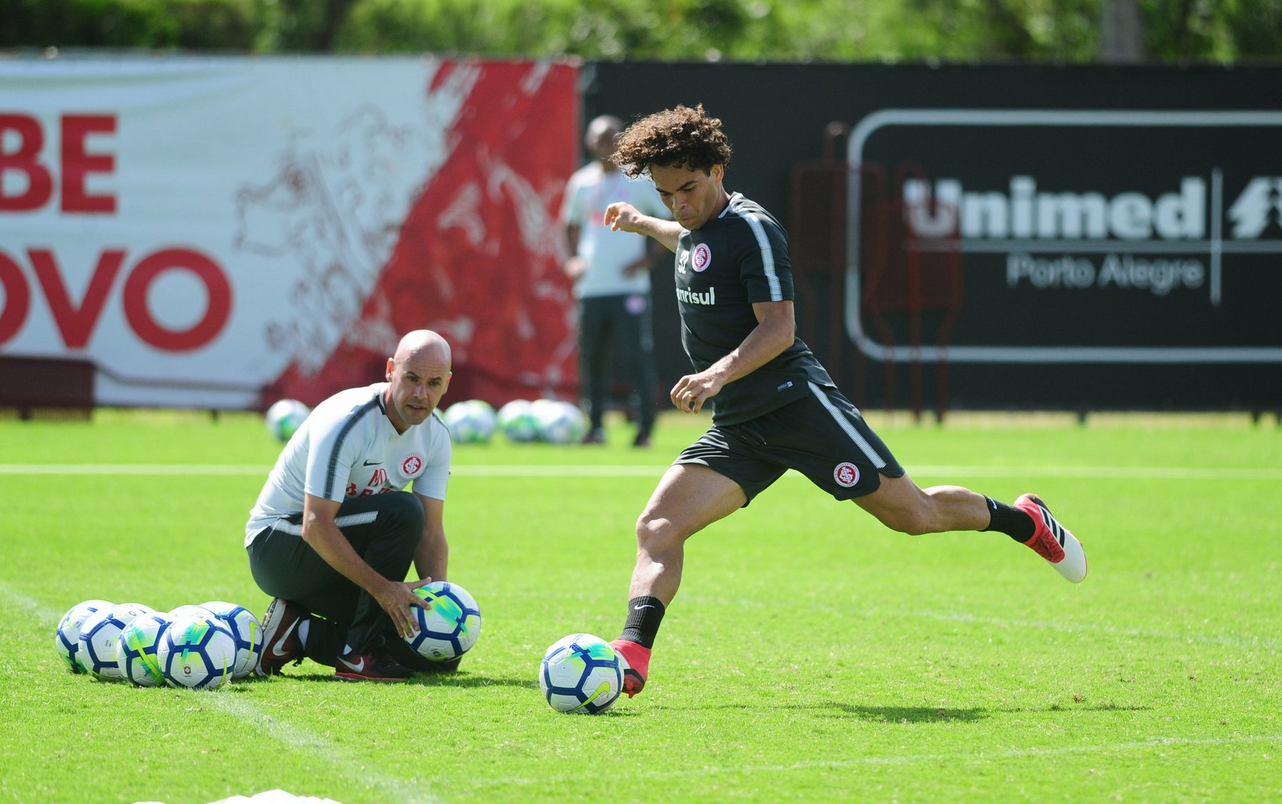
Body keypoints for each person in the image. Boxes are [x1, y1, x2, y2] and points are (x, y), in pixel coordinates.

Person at [600, 104, 1088, 698]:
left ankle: (1024, 521)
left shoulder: (755, 228)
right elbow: (684, 237)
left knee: (915, 516)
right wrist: (640, 221)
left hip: (796, 406)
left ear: (719, 168)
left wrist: (716, 375)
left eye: (689, 188)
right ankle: (631, 655)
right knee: (657, 526)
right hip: (740, 427)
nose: (679, 203)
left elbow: (778, 327)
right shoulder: (692, 224)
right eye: (665, 192)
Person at [245, 329, 458, 682]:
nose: (421, 394)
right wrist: (382, 589)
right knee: (403, 512)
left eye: (434, 383)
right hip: (278, 546)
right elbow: (316, 523)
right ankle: (356, 654)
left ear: (448, 383)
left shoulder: (436, 435)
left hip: (333, 554)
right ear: (391, 370)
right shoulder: (348, 421)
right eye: (412, 378)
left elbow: (432, 535)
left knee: (435, 655)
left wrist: (441, 609)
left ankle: (297, 633)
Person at [560, 114, 670, 447]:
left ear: (620, 141)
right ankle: (594, 427)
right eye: (597, 138)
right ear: (589, 143)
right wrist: (574, 260)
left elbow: (665, 220)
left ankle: (645, 429)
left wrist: (649, 259)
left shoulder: (637, 180)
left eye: (609, 138)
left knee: (636, 356)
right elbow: (570, 224)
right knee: (592, 357)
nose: (602, 144)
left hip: (629, 287)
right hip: (592, 287)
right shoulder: (581, 182)